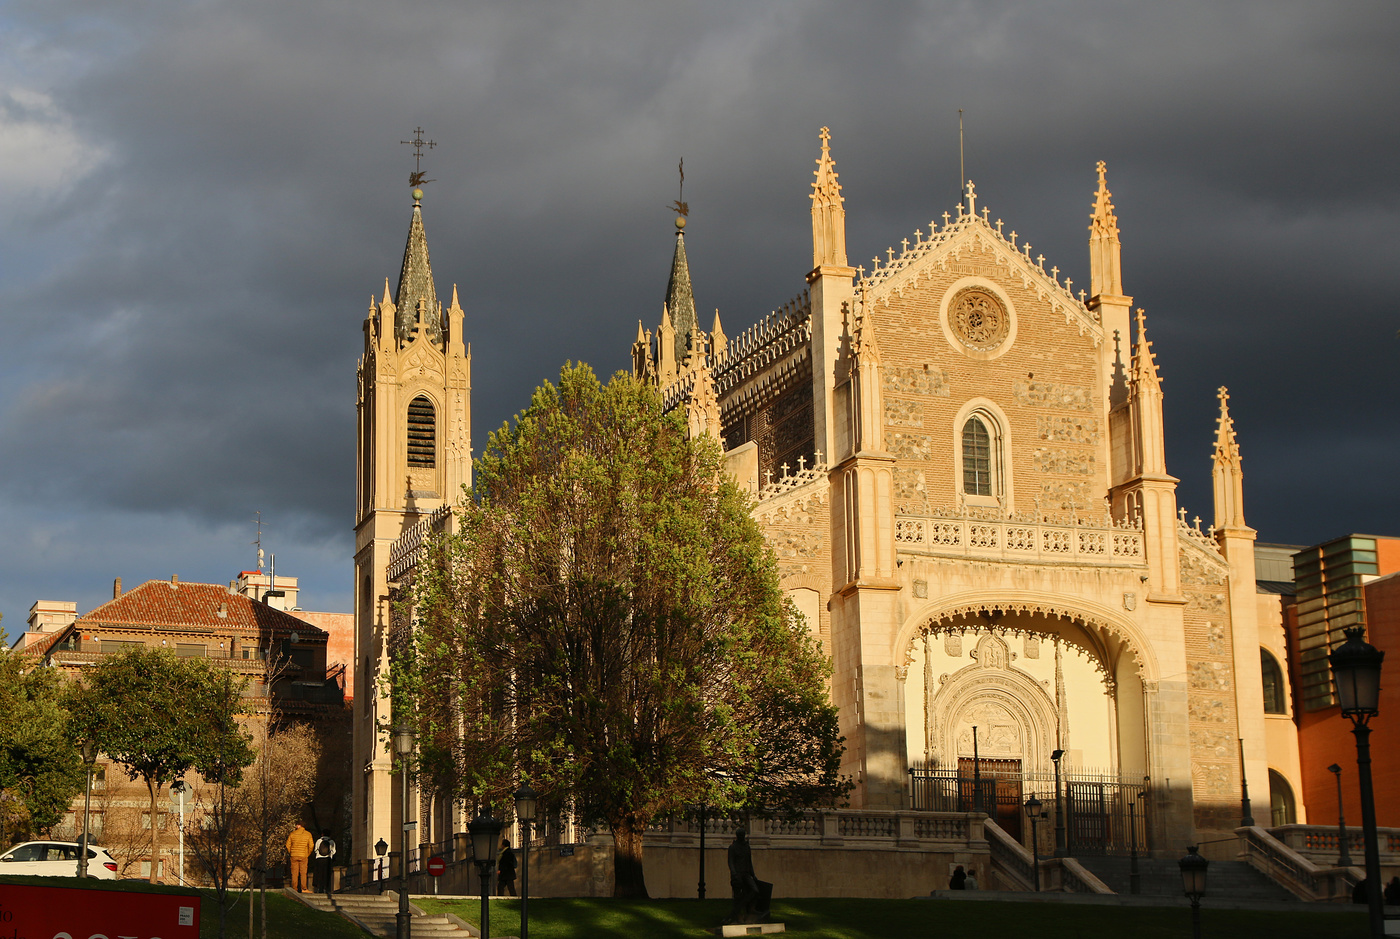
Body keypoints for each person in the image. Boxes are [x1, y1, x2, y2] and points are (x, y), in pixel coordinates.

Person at [286, 822, 314, 892]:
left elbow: (287, 845)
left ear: (298, 825)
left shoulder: (292, 834)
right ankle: (304, 888)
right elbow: (311, 846)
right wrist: (307, 853)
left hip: (294, 855)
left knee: (294, 873)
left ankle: (294, 888)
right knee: (303, 873)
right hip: (303, 855)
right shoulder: (308, 834)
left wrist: (291, 852)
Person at [313, 830, 337, 895]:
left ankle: (319, 888)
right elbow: (334, 851)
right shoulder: (332, 842)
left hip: (319, 859)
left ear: (322, 834)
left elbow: (315, 849)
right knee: (327, 874)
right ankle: (326, 888)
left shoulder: (319, 841)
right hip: (328, 859)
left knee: (319, 873)